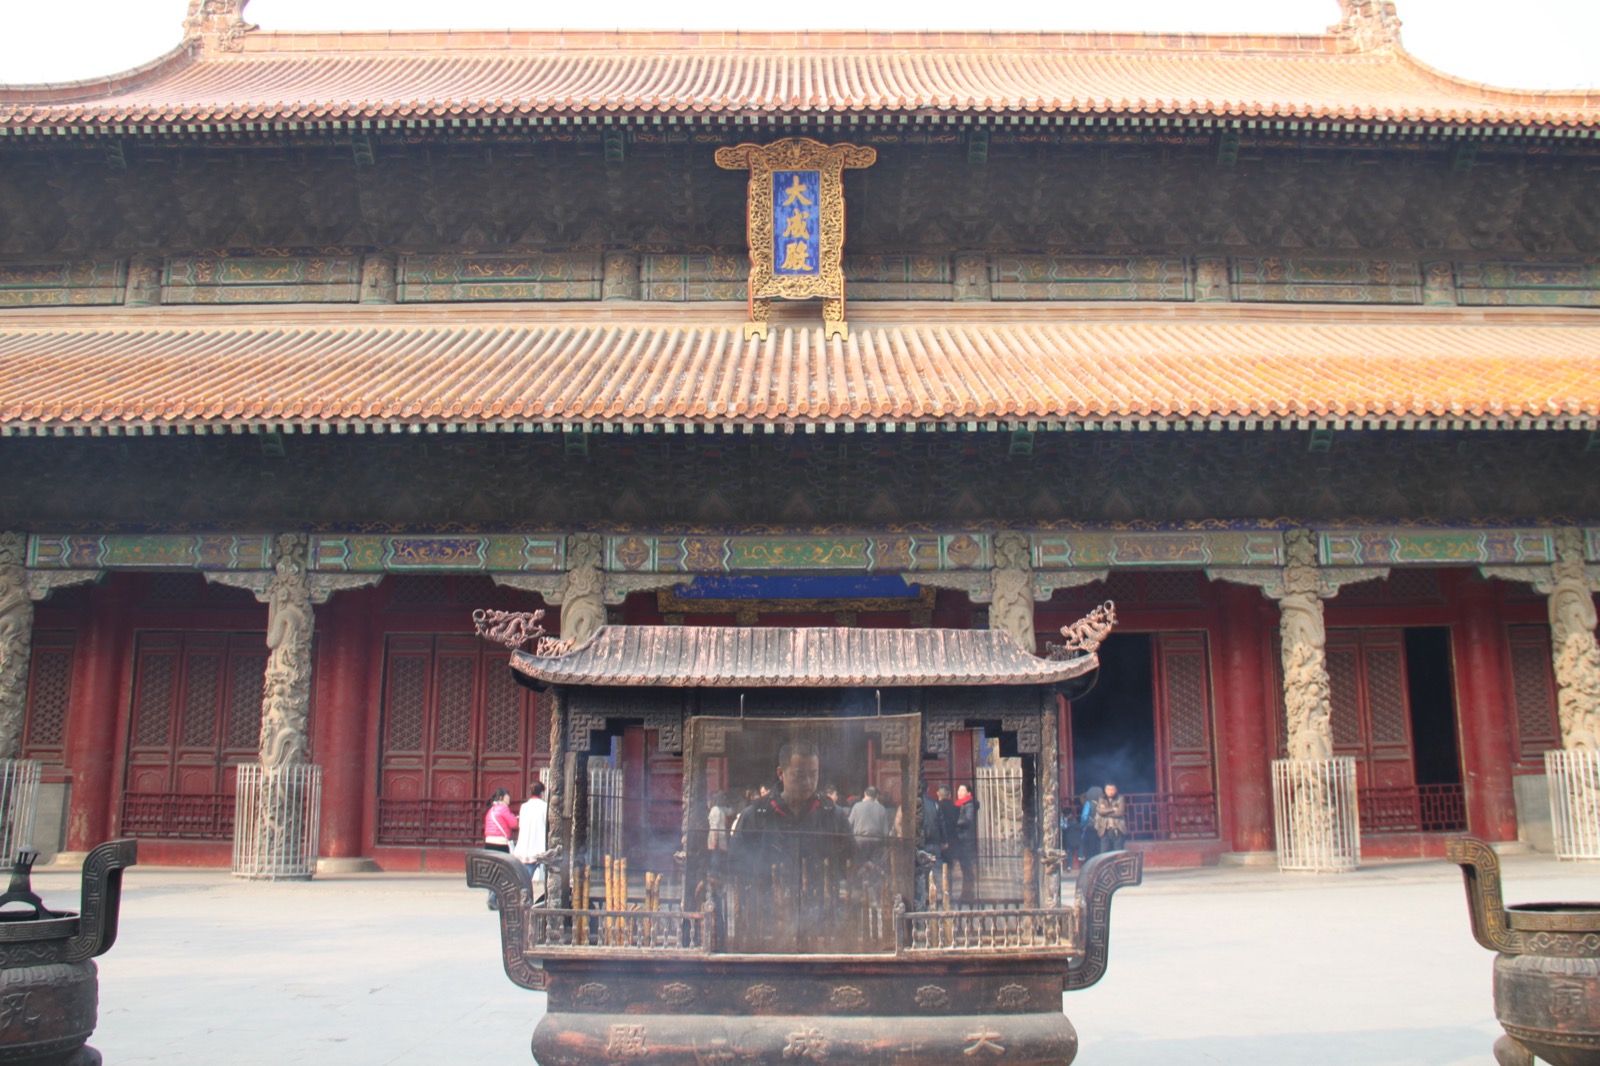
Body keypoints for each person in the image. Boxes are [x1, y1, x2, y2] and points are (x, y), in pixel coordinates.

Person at [730, 740, 853, 950]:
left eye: (813, 774)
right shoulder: (756, 815)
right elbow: (736, 865)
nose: (807, 782)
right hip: (766, 923)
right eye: (799, 775)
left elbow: (852, 860)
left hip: (821, 922)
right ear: (781, 773)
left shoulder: (832, 815)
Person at [512, 781, 548, 904]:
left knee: (526, 874)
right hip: (539, 844)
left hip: (526, 845)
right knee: (545, 876)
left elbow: (520, 824)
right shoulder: (545, 806)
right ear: (542, 793)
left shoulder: (524, 806)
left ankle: (523, 897)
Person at [482, 787, 517, 910]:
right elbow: (514, 823)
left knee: (492, 871)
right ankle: (493, 897)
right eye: (508, 796)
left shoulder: (491, 810)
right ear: (502, 797)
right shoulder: (503, 809)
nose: (509, 799)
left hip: (489, 842)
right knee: (502, 871)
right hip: (501, 843)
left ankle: (491, 896)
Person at [848, 785, 893, 867]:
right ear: (876, 796)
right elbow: (885, 831)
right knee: (875, 867)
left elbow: (849, 824)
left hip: (860, 841)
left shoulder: (856, 806)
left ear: (865, 794)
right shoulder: (882, 809)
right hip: (876, 842)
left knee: (860, 866)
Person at [953, 783, 980, 903]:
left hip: (966, 841)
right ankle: (966, 893)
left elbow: (967, 821)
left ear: (968, 793)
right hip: (962, 841)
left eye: (962, 790)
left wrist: (954, 822)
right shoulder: (962, 805)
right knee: (965, 869)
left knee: (967, 869)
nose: (959, 793)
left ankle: (968, 894)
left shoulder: (969, 805)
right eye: (958, 790)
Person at [935, 786, 959, 890]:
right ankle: (949, 891)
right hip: (952, 842)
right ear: (949, 795)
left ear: (938, 794)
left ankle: (938, 891)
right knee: (949, 869)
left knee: (936, 868)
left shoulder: (935, 807)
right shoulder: (955, 808)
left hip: (938, 842)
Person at [1094, 782, 1129, 853]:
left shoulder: (1120, 798)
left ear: (1116, 790)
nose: (1110, 792)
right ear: (1105, 790)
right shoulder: (1102, 798)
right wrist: (1112, 809)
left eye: (1112, 789)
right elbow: (1099, 811)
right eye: (1108, 789)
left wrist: (1105, 811)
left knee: (1118, 853)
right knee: (1103, 853)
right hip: (1104, 829)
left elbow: (1120, 812)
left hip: (1117, 829)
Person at [706, 790, 732, 878]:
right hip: (716, 836)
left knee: (720, 856)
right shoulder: (715, 810)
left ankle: (718, 873)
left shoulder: (721, 809)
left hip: (721, 836)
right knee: (715, 856)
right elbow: (714, 826)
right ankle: (714, 873)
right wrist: (715, 840)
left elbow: (730, 811)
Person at [1078, 786, 1103, 865]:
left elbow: (1084, 816)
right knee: (1098, 848)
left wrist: (1082, 825)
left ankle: (1090, 866)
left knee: (1090, 849)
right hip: (1101, 828)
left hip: (1090, 828)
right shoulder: (1102, 802)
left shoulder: (1088, 803)